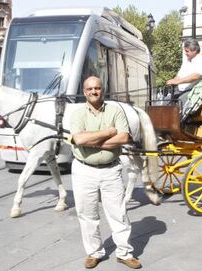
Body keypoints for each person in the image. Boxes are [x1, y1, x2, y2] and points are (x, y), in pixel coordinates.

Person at [70, 76, 142, 269]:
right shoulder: (77, 114)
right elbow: (79, 140)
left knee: (118, 213)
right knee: (87, 214)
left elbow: (124, 137)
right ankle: (94, 253)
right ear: (84, 92)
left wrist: (92, 140)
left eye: (97, 88)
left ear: (103, 90)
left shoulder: (115, 110)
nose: (94, 91)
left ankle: (124, 253)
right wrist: (109, 133)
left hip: (111, 170)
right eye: (90, 89)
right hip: (84, 170)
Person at [166, 38, 202, 105]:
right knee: (164, 102)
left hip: (192, 92)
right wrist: (172, 80)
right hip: (179, 91)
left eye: (187, 51)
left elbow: (196, 76)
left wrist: (177, 81)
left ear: (195, 50)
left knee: (179, 104)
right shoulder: (186, 61)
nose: (185, 53)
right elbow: (179, 76)